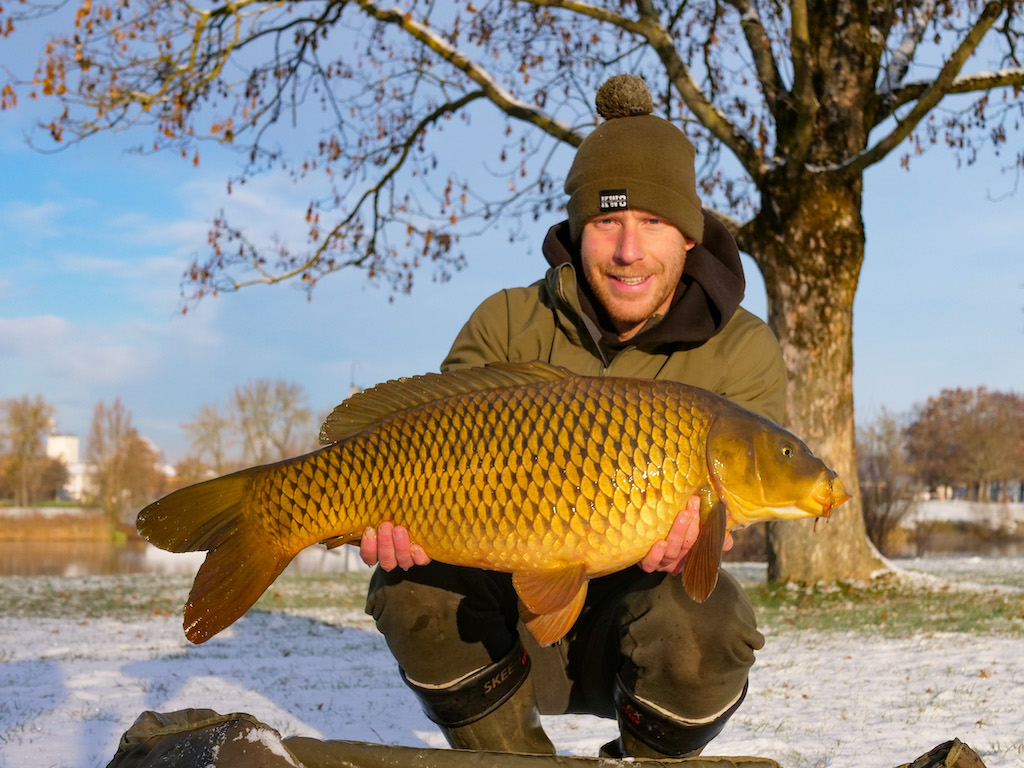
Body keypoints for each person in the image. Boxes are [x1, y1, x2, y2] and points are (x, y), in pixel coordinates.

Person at [360, 73, 787, 759]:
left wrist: (710, 530)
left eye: (652, 222)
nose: (627, 250)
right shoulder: (506, 323)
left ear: (688, 237)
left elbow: (742, 495)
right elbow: (427, 447)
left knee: (711, 620)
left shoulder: (742, 349)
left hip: (640, 627)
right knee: (410, 583)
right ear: (576, 229)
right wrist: (403, 522)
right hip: (508, 625)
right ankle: (513, 758)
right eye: (606, 221)